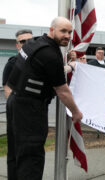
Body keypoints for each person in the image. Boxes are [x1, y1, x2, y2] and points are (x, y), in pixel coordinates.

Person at [6, 17, 83, 180]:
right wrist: (76, 112)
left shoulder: (34, 44)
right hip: (30, 109)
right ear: (52, 30)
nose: (68, 36)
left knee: (16, 154)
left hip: (15, 101)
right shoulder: (50, 53)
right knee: (31, 158)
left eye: (70, 32)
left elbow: (43, 70)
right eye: (63, 31)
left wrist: (69, 67)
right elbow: (62, 91)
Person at [2, 29, 33, 99]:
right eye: (23, 41)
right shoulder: (11, 64)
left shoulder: (41, 62)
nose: (27, 43)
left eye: (30, 40)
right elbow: (7, 90)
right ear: (18, 46)